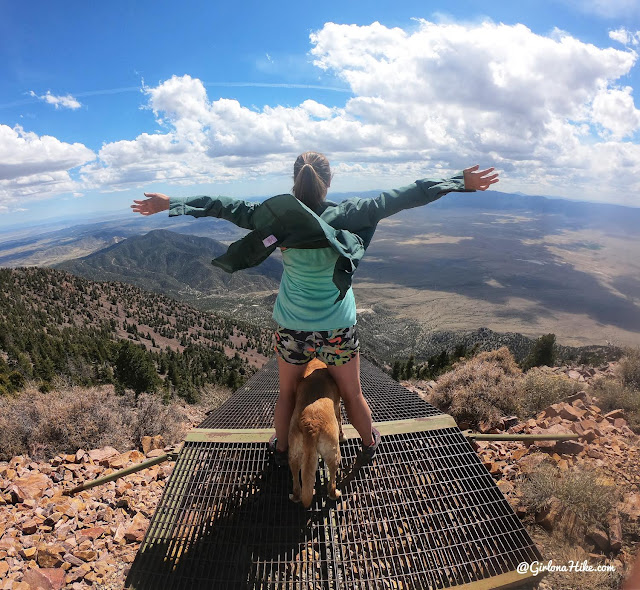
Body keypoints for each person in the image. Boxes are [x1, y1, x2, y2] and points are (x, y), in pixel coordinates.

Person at [131, 152, 499, 467]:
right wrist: (457, 181)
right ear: (329, 180)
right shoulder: (350, 214)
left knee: (287, 395)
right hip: (338, 326)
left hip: (291, 324)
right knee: (353, 395)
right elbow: (401, 196)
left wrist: (171, 203)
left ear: (295, 180)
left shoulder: (275, 218)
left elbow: (221, 205)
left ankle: (279, 450)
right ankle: (369, 446)